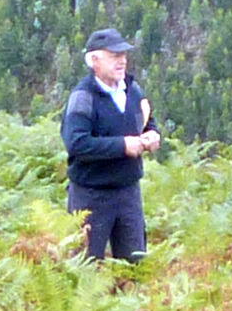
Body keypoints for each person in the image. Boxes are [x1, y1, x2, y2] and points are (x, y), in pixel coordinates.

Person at [61, 27, 161, 261]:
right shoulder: (83, 98)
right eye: (114, 56)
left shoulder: (133, 90)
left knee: (135, 265)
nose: (122, 61)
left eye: (123, 55)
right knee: (85, 266)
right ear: (94, 61)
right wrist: (122, 146)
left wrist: (152, 135)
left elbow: (147, 121)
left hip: (128, 193)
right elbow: (76, 144)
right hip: (91, 196)